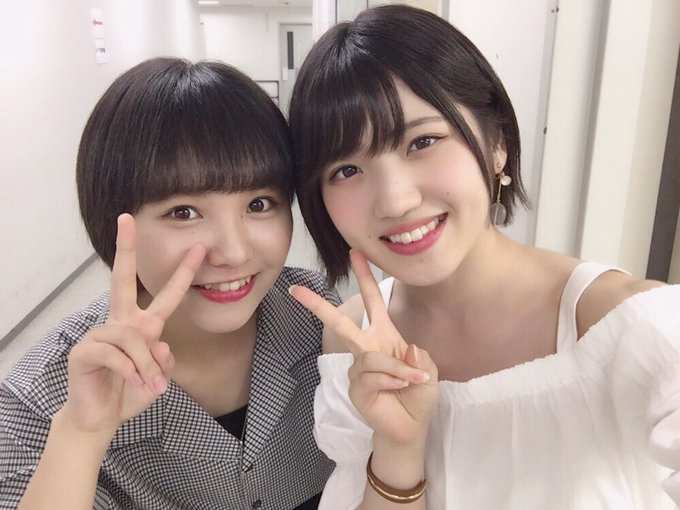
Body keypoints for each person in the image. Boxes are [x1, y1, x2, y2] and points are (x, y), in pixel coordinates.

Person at [287, 4, 680, 509]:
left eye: (422, 141)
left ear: (498, 145)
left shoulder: (624, 324)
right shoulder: (353, 339)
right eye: (346, 170)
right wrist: (398, 447)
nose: (395, 200)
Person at [0, 57, 339, 510]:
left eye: (259, 204)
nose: (234, 252)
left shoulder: (318, 318)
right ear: (113, 219)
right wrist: (80, 435)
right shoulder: (41, 396)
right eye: (184, 212)